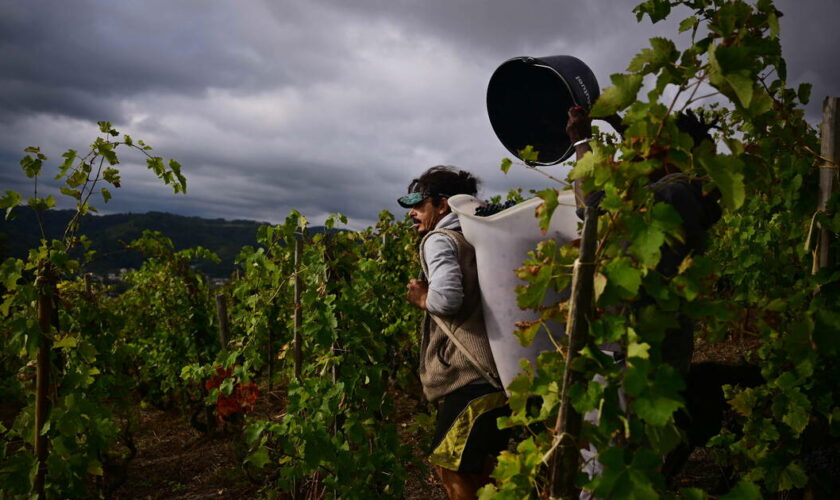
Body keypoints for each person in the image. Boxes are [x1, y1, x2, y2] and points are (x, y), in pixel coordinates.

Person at [398, 165, 510, 500]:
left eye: (419, 205)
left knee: (450, 466)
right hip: (502, 371)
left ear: (442, 205)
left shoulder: (440, 239)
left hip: (472, 376)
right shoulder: (478, 238)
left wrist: (422, 297)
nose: (412, 215)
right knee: (485, 469)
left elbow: (446, 300)